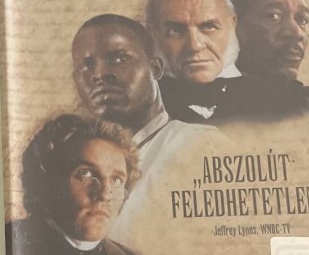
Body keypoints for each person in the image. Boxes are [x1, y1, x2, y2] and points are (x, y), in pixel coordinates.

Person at [72, 15, 219, 223]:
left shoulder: (199, 144)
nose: (100, 74)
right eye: (86, 66)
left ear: (155, 68)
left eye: (119, 59)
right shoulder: (74, 165)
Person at [7, 113, 145, 255]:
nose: (105, 194)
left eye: (117, 180)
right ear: (48, 180)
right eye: (86, 174)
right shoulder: (11, 249)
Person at [146, 0, 268, 124]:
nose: (195, 45)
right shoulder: (139, 109)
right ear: (152, 35)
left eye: (209, 26)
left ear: (232, 25)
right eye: (175, 30)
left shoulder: (281, 100)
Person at [222, 0, 309, 116]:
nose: (297, 33)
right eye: (274, 16)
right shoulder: (214, 110)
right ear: (232, 26)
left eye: (302, 19)